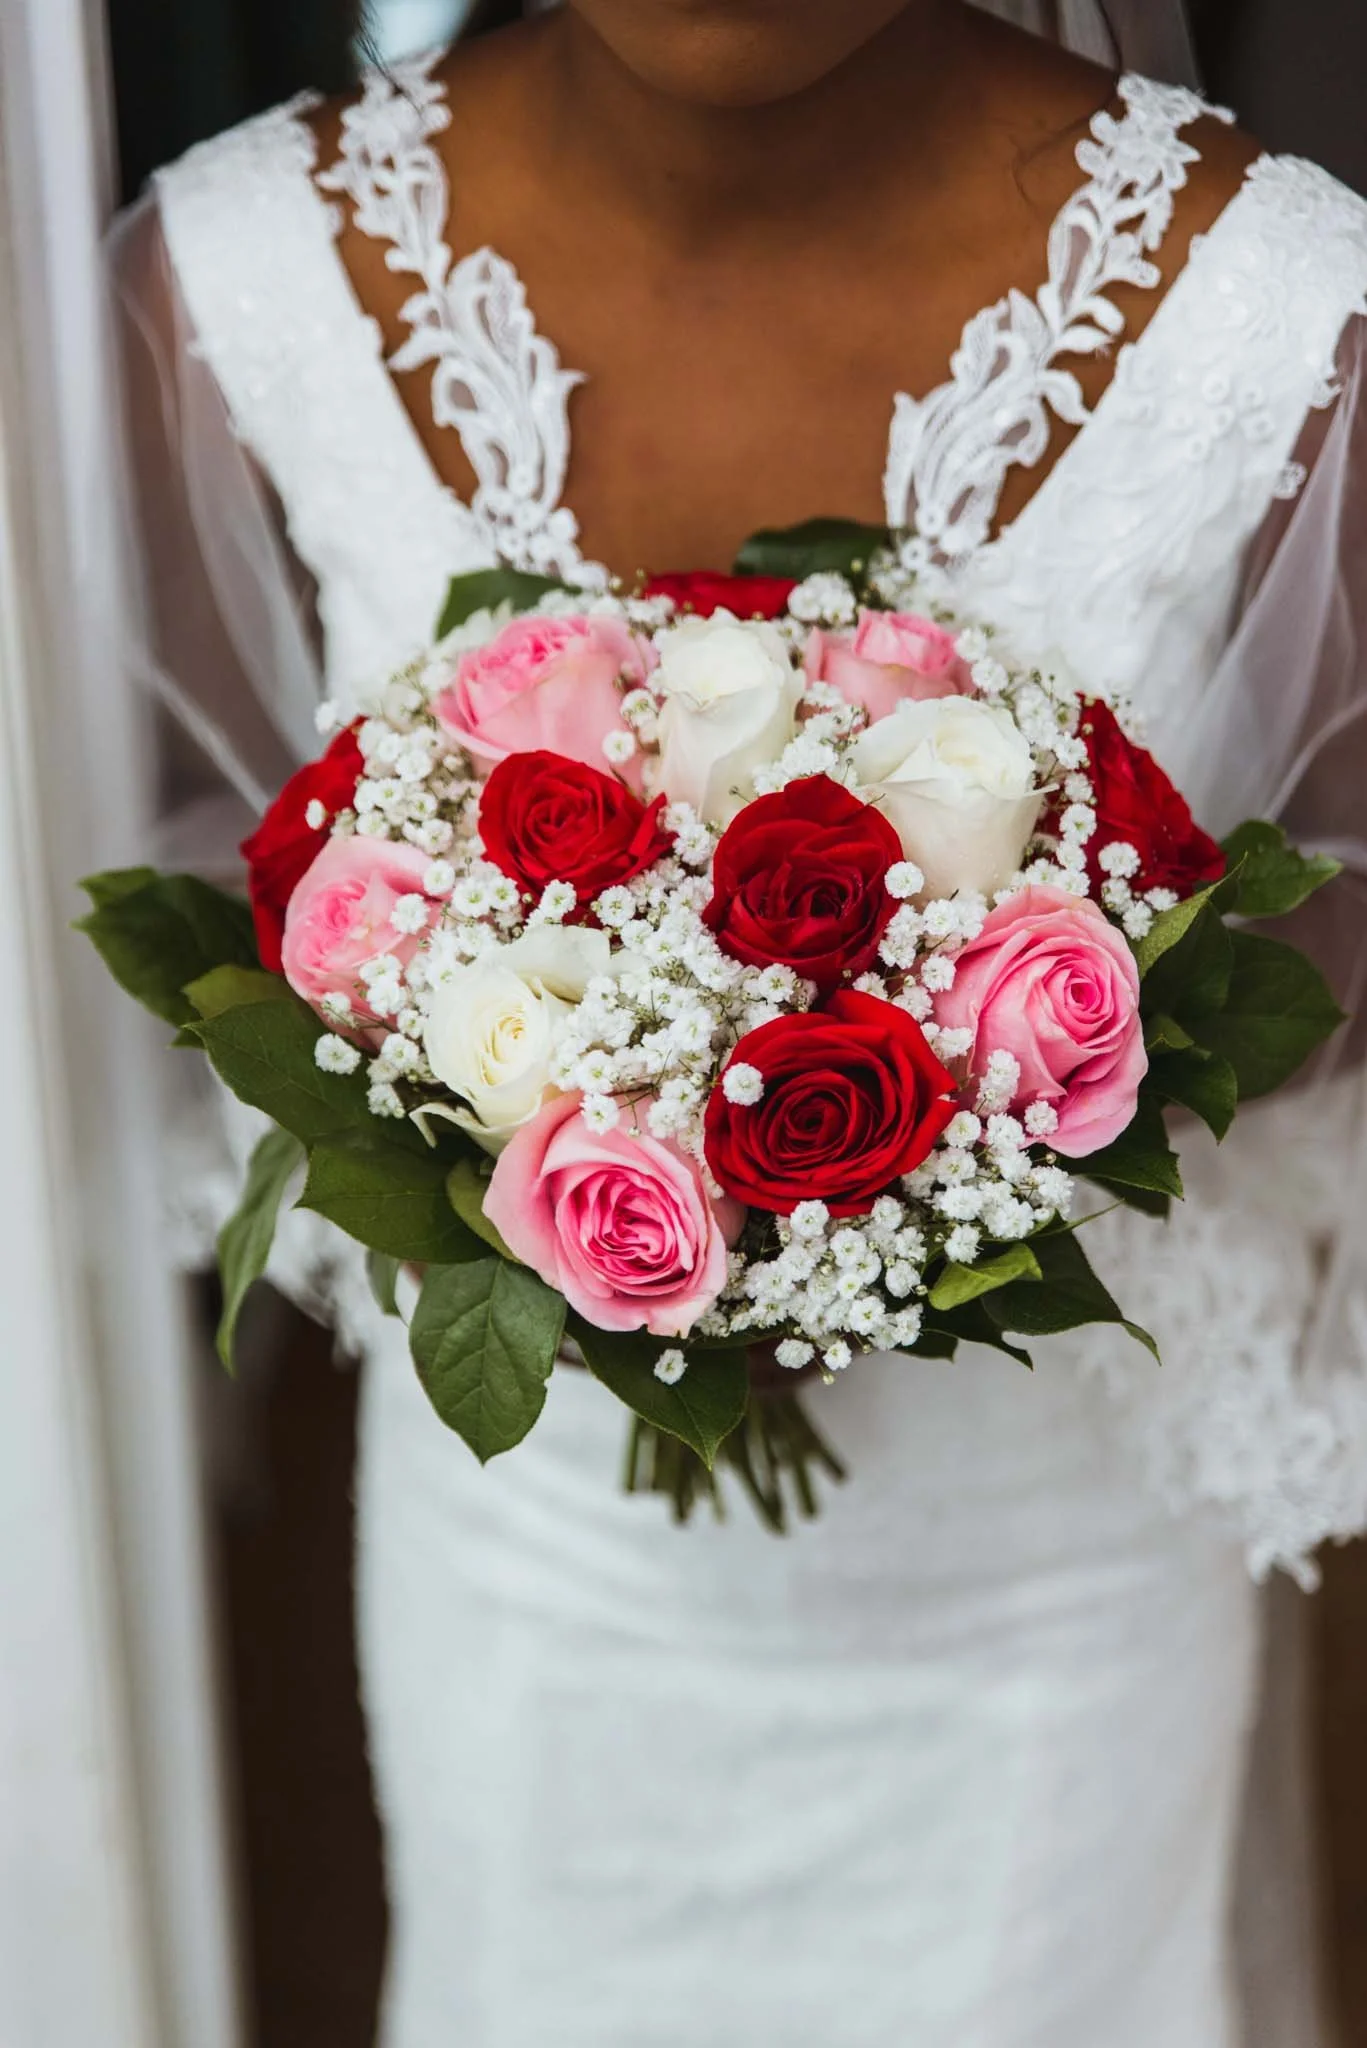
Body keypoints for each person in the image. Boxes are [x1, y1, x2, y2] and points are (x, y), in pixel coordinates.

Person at [111, 1, 1367, 2040]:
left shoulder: (1278, 313)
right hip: (535, 1587)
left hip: (1034, 1583)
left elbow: (1329, 948)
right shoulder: (236, 282)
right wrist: (575, 1146)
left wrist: (915, 1139)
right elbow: (244, 904)